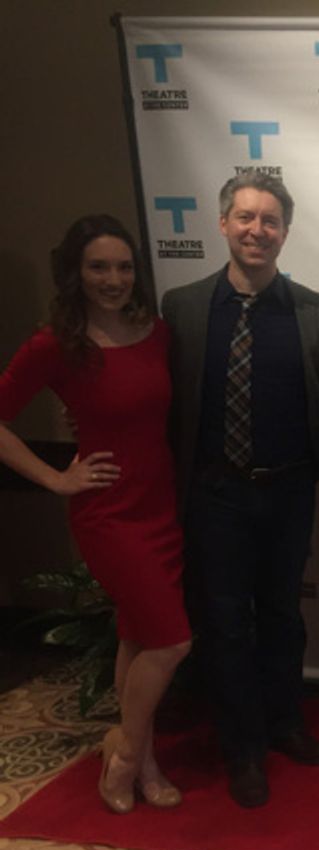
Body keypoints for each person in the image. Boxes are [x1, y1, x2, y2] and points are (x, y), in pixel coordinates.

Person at [0, 215, 192, 813]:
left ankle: (144, 759)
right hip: (108, 513)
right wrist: (58, 478)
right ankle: (127, 750)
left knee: (138, 637)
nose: (113, 279)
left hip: (161, 504)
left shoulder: (154, 331)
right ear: (75, 273)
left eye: (123, 267)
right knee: (172, 641)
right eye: (98, 267)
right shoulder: (55, 344)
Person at [161, 173, 319, 808]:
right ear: (222, 224)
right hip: (214, 496)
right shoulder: (180, 306)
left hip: (289, 491)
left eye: (269, 220)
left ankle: (285, 722)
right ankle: (242, 748)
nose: (256, 230)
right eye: (244, 217)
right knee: (227, 626)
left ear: (285, 232)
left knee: (285, 618)